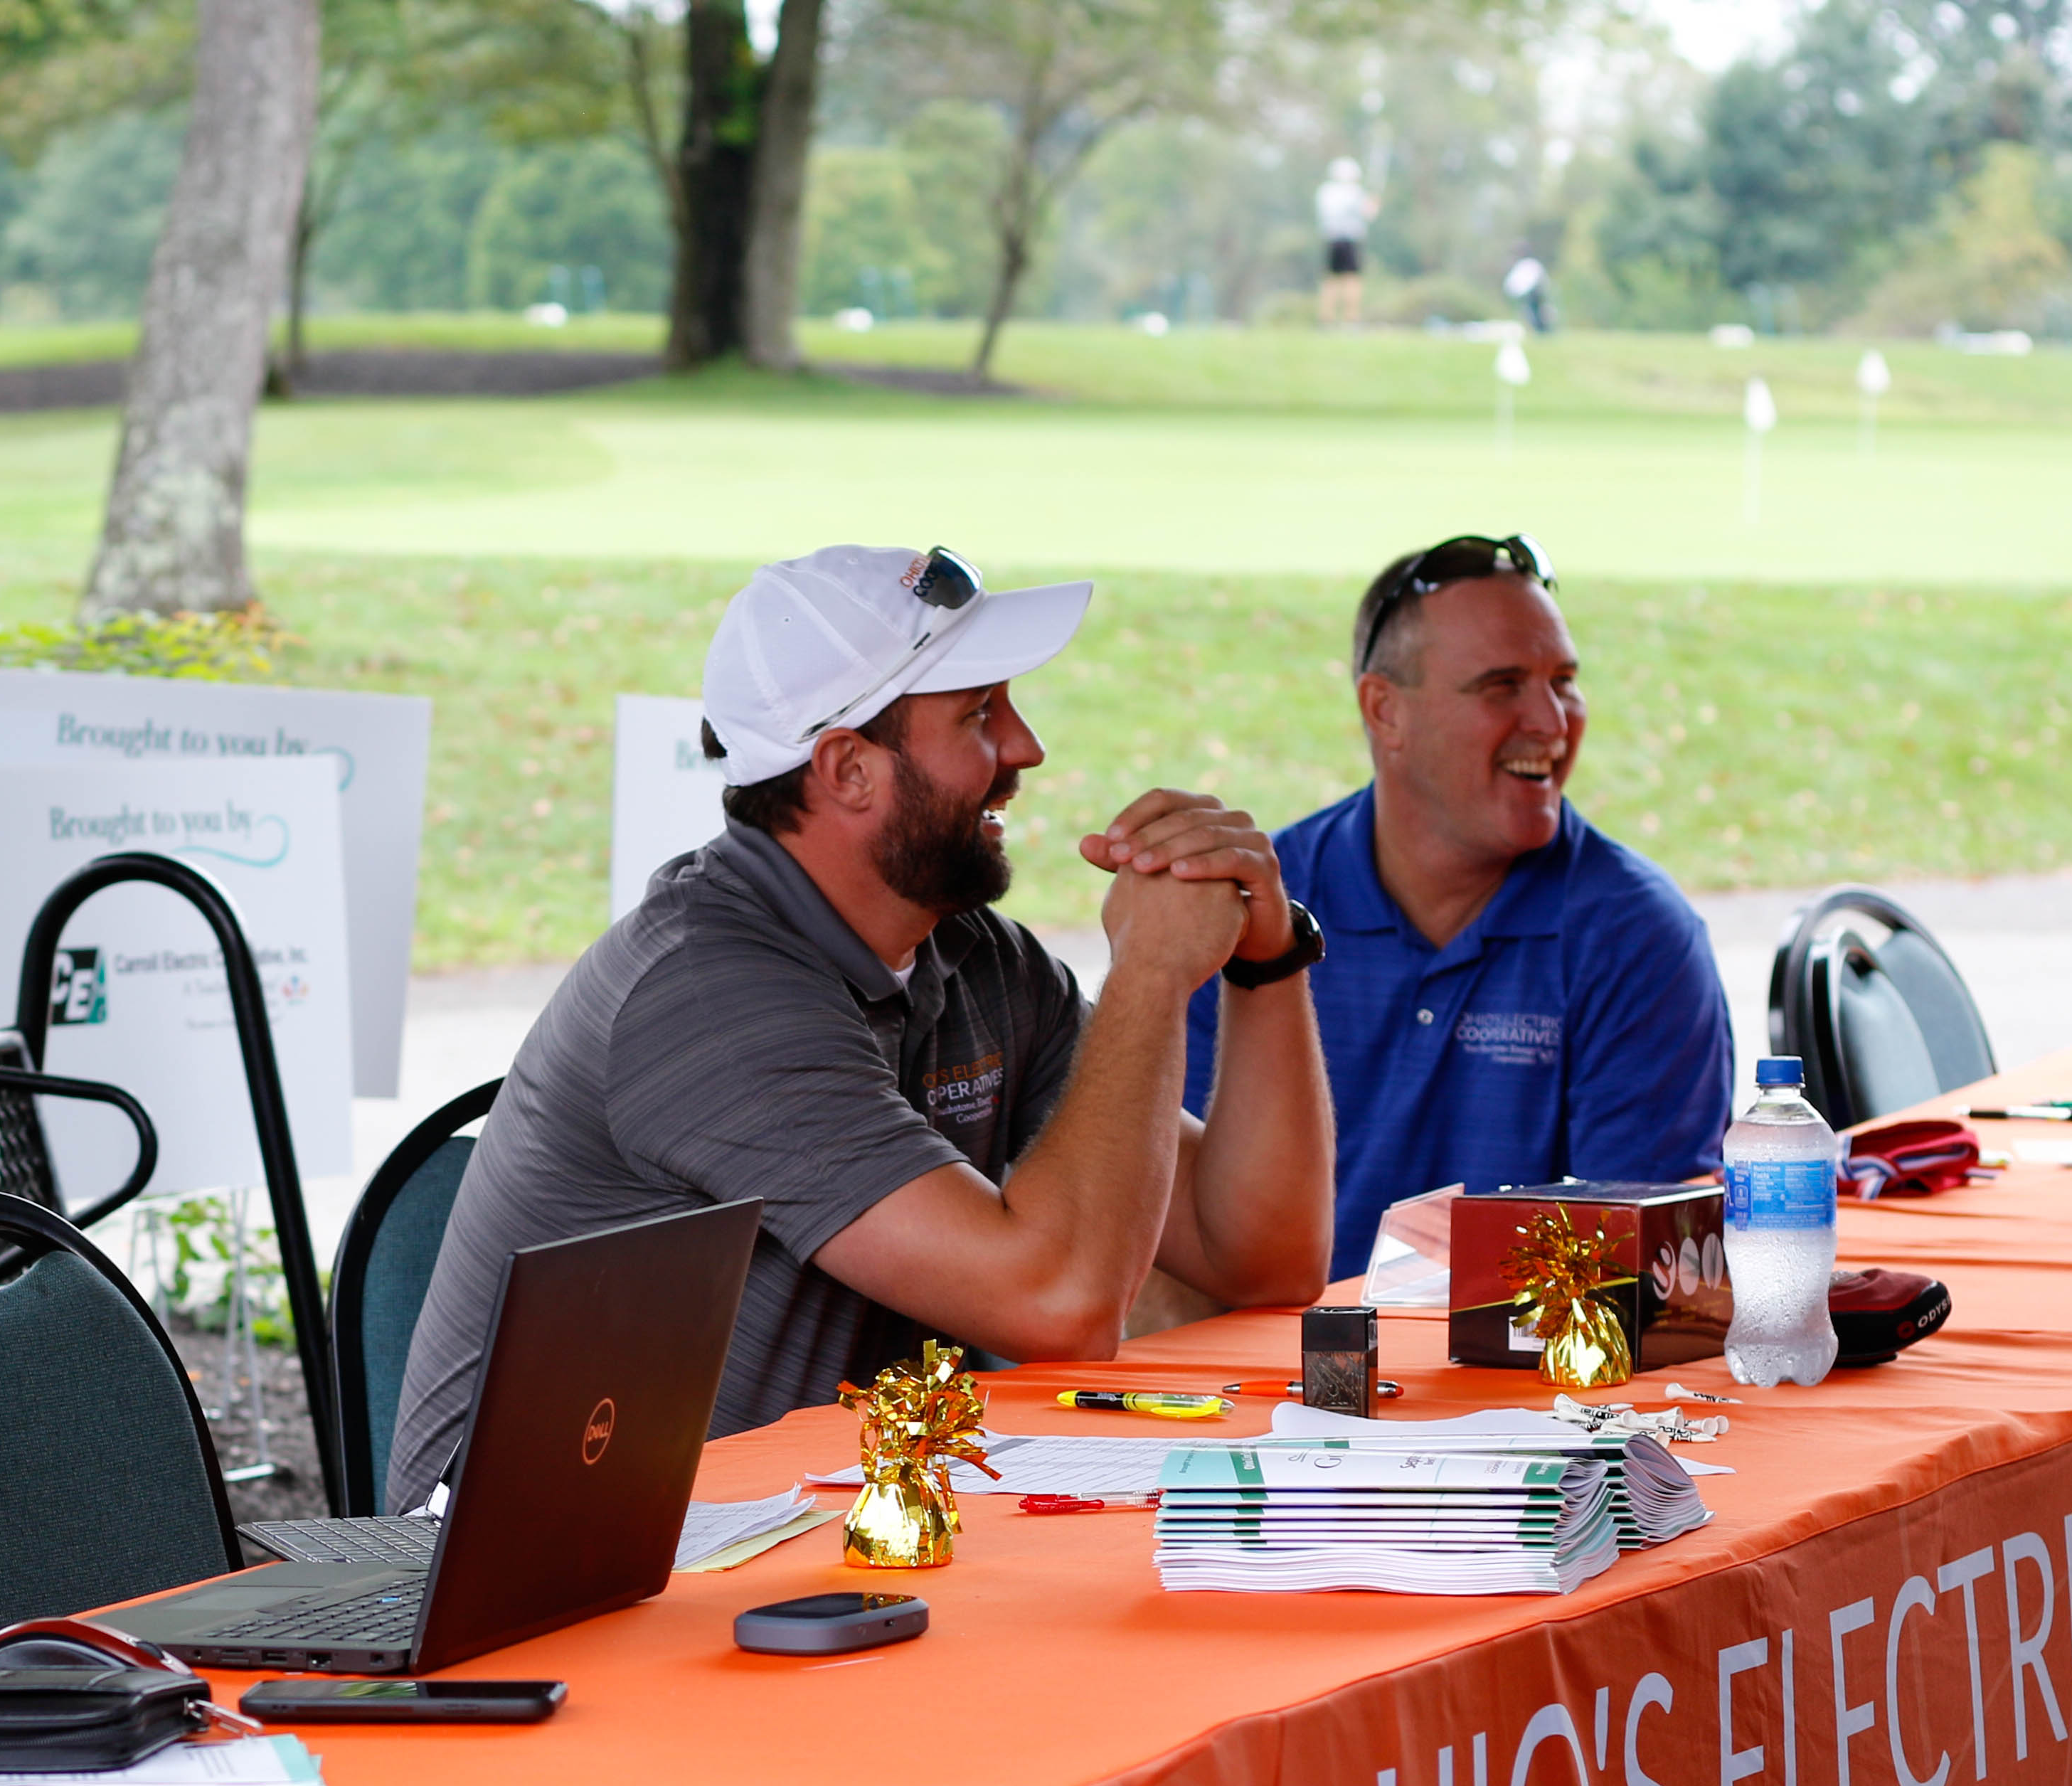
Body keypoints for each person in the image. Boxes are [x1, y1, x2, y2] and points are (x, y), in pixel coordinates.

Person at [386, 544, 1335, 1511]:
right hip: (554, 1582)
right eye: (978, 715)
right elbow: (1059, 1305)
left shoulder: (974, 959)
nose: (1026, 749)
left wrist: (1266, 961)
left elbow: (1263, 1258)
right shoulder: (710, 998)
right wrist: (1151, 976)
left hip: (793, 1541)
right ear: (847, 770)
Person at [1183, 536, 1733, 1282]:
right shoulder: (1251, 913)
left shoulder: (1636, 939)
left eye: (1563, 680)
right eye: (1502, 685)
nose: (1551, 720)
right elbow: (1161, 1221)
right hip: (1249, 1373)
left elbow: (1638, 1275)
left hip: (1518, 1385)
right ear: (1386, 712)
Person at [1316, 159, 1378, 326]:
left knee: (1331, 278)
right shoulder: (1355, 192)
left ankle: (1326, 319)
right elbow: (1369, 214)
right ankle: (1351, 319)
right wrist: (1373, 204)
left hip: (1332, 239)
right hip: (1349, 240)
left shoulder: (1325, 191)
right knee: (1352, 279)